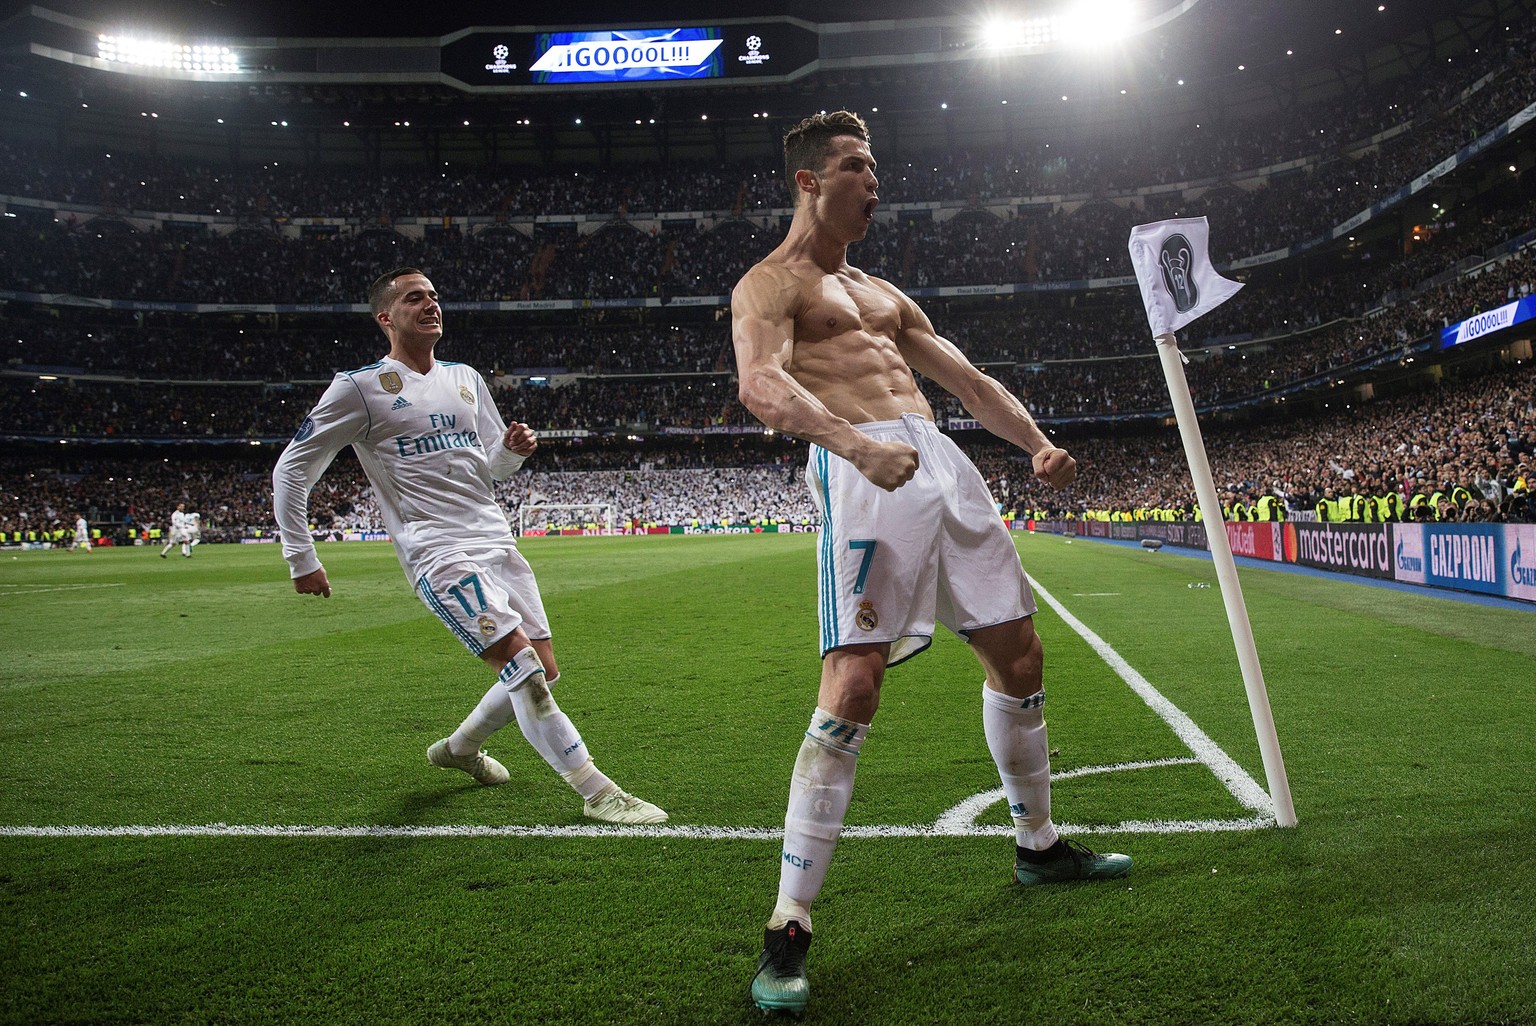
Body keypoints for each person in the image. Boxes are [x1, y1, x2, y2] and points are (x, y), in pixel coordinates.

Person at [730, 111, 1130, 1017]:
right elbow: (759, 385)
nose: (874, 182)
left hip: (942, 462)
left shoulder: (882, 290)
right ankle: (788, 929)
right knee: (855, 683)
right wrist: (851, 446)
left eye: (875, 167)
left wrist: (1033, 442)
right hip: (864, 463)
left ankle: (1038, 847)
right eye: (857, 167)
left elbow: (967, 379)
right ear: (808, 181)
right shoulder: (768, 283)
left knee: (1020, 656)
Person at [271, 266, 666, 825]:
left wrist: (513, 450)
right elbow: (292, 468)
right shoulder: (358, 388)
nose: (431, 304)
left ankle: (458, 749)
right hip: (437, 548)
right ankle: (597, 790)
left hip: (495, 539)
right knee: (522, 666)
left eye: (433, 295)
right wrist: (301, 556)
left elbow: (491, 470)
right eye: (414, 298)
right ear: (386, 317)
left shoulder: (465, 378)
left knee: (545, 670)